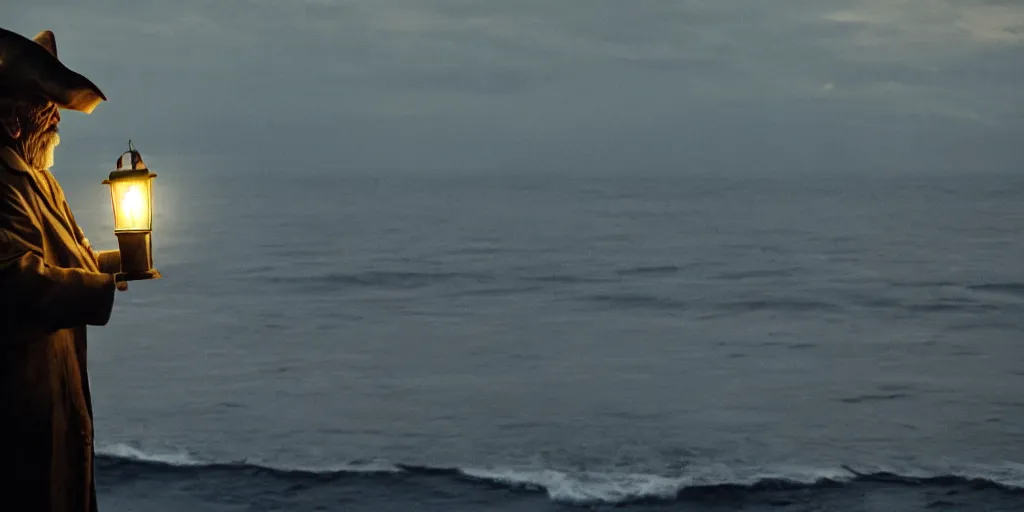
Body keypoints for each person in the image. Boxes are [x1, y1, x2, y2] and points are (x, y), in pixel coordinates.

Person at [0, 27, 123, 511]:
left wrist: (123, 264)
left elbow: (69, 260)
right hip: (20, 416)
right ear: (11, 116)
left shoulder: (40, 182)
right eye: (44, 105)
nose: (55, 118)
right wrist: (98, 290)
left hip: (56, 406)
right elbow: (12, 279)